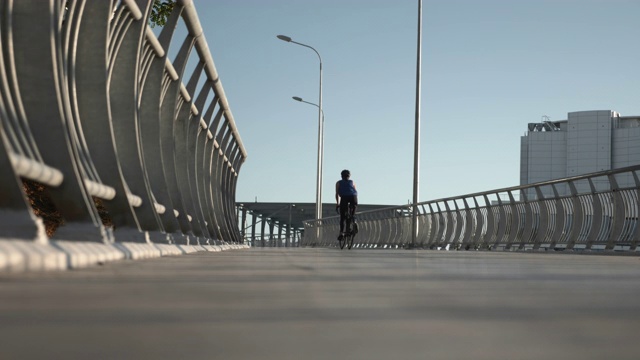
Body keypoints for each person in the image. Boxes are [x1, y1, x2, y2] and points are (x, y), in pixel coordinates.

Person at [335, 169, 358, 240]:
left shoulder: (338, 183)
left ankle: (341, 233)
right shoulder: (353, 182)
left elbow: (337, 194)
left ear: (341, 176)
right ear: (349, 176)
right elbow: (354, 191)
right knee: (352, 212)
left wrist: (337, 203)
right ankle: (353, 220)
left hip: (344, 197)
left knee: (342, 217)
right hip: (353, 197)